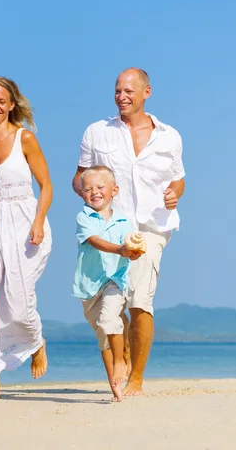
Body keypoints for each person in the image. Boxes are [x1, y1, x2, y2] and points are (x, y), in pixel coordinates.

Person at [72, 68, 186, 396]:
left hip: (152, 227)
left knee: (140, 299)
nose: (122, 97)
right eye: (118, 91)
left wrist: (174, 193)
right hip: (111, 228)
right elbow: (79, 178)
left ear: (146, 92)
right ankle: (120, 355)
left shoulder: (170, 136)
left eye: (129, 91)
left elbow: (178, 178)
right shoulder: (97, 132)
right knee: (105, 304)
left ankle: (136, 377)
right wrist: (93, 195)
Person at [0, 76, 53, 400]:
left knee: (17, 300)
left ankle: (35, 341)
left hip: (26, 224)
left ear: (12, 104)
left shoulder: (24, 138)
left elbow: (46, 186)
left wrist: (39, 221)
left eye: (2, 101)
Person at [72, 165, 140, 401]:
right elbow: (95, 241)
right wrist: (122, 249)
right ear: (82, 193)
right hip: (89, 286)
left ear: (114, 190)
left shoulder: (124, 221)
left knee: (108, 319)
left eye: (100, 187)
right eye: (88, 189)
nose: (94, 192)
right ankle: (115, 385)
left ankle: (121, 360)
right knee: (102, 333)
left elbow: (131, 245)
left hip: (115, 280)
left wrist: (132, 251)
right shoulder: (84, 217)